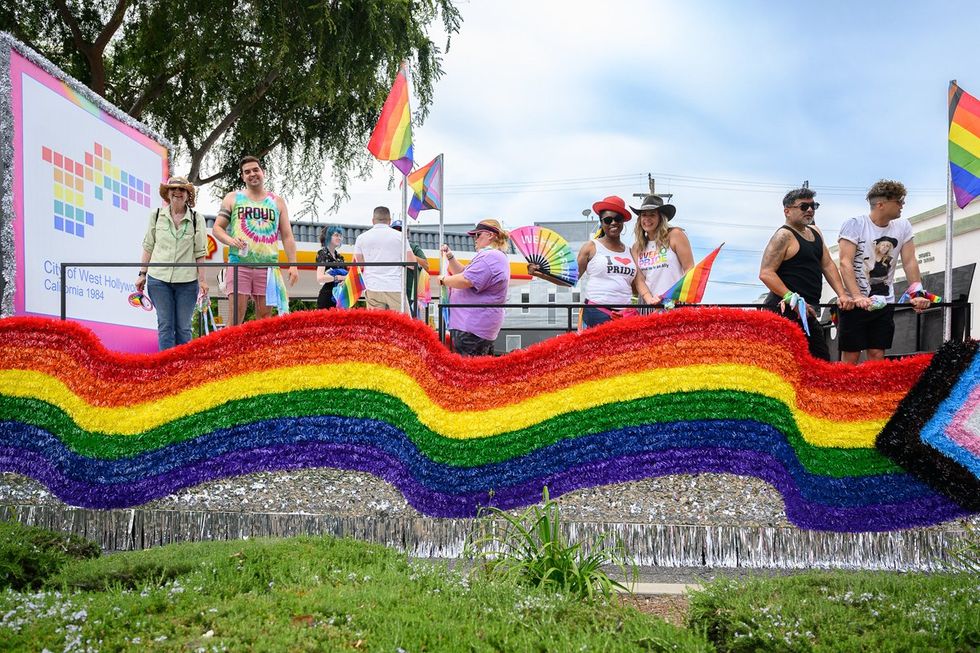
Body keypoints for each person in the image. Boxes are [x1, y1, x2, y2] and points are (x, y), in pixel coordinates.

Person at [837, 179, 931, 364]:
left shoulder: (903, 226)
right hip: (855, 302)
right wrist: (856, 296)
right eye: (898, 201)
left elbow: (910, 261)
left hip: (883, 301)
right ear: (881, 204)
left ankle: (873, 393)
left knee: (877, 354)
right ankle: (846, 393)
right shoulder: (855, 224)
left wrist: (917, 293)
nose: (902, 205)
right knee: (851, 355)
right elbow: (845, 263)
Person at [759, 188, 854, 361]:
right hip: (783, 311)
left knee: (820, 362)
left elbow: (827, 264)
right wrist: (791, 298)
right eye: (804, 206)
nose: (810, 210)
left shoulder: (815, 232)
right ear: (787, 211)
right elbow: (766, 273)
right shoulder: (783, 236)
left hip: (808, 311)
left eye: (813, 206)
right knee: (787, 365)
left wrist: (842, 294)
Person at [212, 156, 299, 324]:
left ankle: (260, 351)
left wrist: (293, 264)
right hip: (239, 264)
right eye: (247, 172)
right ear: (242, 176)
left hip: (267, 268)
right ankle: (231, 350)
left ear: (263, 172)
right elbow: (217, 228)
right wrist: (230, 241)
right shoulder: (232, 198)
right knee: (236, 318)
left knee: (265, 320)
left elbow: (287, 236)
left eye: (255, 170)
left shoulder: (277, 202)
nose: (252, 174)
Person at [135, 176, 209, 349]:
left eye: (182, 189)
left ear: (188, 195)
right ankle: (166, 371)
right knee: (165, 326)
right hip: (158, 279)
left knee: (183, 328)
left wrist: (202, 279)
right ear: (167, 193)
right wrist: (142, 274)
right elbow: (148, 245)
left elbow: (200, 251)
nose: (177, 192)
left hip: (187, 282)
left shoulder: (197, 218)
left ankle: (184, 369)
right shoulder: (156, 215)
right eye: (173, 189)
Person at [439, 219, 511, 356]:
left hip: (472, 328)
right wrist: (450, 256)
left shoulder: (490, 256)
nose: (475, 239)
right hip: (475, 326)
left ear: (490, 235)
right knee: (477, 369)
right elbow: (463, 274)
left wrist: (444, 280)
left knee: (468, 371)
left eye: (478, 235)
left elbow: (466, 280)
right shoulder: (494, 256)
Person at [576, 195, 638, 328]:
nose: (613, 223)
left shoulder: (631, 252)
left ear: (623, 222)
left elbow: (636, 287)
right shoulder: (591, 247)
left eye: (618, 219)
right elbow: (570, 278)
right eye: (608, 220)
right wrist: (541, 272)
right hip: (596, 313)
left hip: (624, 317)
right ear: (601, 222)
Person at [630, 194, 693, 305]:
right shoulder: (636, 247)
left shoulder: (675, 235)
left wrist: (673, 296)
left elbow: (689, 269)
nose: (647, 219)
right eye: (644, 215)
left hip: (674, 302)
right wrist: (650, 299)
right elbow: (639, 279)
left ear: (660, 217)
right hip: (649, 305)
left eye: (652, 215)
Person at [352, 207, 414, 312]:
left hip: (372, 286)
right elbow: (412, 263)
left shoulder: (361, 238)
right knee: (403, 325)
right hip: (395, 286)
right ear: (389, 221)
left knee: (377, 325)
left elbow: (359, 264)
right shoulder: (400, 237)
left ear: (373, 220)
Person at [392, 220, 429, 318]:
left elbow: (426, 265)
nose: (398, 232)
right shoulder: (388, 247)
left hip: (411, 295)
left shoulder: (413, 247)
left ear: (406, 233)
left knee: (412, 323)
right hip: (392, 292)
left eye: (401, 230)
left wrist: (408, 253)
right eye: (395, 230)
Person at [315, 225, 346, 309]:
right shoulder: (322, 254)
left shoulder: (340, 258)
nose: (339, 238)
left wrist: (344, 280)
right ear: (328, 237)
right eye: (336, 235)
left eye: (340, 236)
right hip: (327, 297)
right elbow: (320, 278)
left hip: (340, 297)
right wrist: (338, 277)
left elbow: (346, 278)